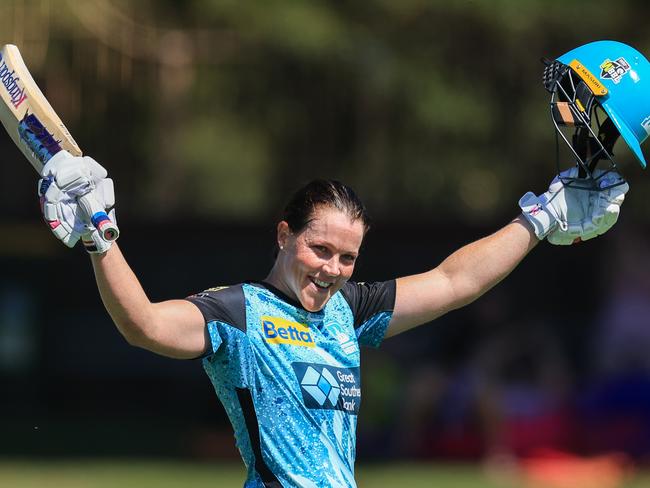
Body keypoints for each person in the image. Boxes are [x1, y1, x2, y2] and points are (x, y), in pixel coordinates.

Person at [34, 41, 648, 487]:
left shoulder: (349, 312)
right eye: (319, 250)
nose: (331, 269)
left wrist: (538, 219)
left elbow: (455, 281)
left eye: (347, 258)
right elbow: (142, 324)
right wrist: (100, 239)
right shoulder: (237, 313)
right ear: (283, 236)